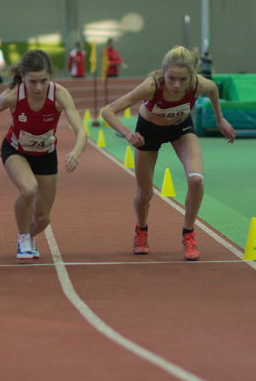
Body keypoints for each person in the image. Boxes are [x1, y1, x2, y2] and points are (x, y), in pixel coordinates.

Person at [101, 46, 235, 261]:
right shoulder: (151, 86)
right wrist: (128, 133)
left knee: (196, 180)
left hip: (180, 128)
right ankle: (141, 230)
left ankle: (188, 234)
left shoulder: (198, 84)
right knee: (145, 193)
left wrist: (220, 119)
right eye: (171, 78)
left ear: (191, 76)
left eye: (182, 79)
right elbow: (107, 111)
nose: (176, 85)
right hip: (148, 132)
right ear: (163, 73)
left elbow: (212, 90)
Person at [0, 50, 86, 260]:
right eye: (32, 82)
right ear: (23, 78)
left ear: (50, 76)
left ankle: (29, 235)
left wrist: (76, 151)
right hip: (16, 151)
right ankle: (23, 237)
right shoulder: (14, 95)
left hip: (46, 154)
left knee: (43, 218)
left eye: (43, 80)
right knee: (28, 189)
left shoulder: (59, 94)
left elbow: (80, 129)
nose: (38, 87)